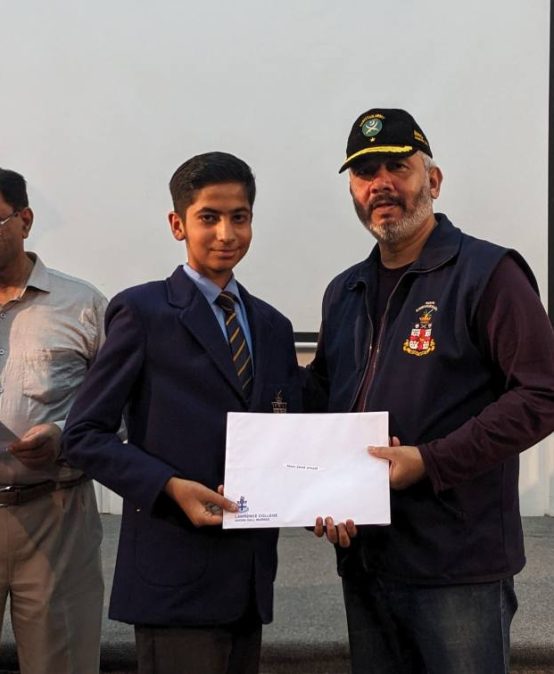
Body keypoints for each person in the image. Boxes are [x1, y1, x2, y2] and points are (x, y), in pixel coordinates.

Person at [305, 108, 554, 674]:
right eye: (365, 172)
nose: (380, 184)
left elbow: (541, 394)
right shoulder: (344, 291)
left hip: (457, 567)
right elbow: (322, 402)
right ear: (353, 191)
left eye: (397, 166)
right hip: (366, 560)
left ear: (433, 180)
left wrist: (431, 461)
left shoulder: (489, 274)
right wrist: (315, 493)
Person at [62, 151, 301, 674]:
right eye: (208, 217)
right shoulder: (143, 312)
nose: (226, 233)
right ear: (178, 224)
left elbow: (292, 434)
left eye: (239, 217)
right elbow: (83, 434)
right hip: (174, 574)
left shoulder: (274, 326)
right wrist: (170, 487)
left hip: (248, 579)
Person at [0, 168, 105, 674]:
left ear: (25, 220)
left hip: (56, 513)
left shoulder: (82, 306)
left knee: (60, 664)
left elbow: (123, 408)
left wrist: (64, 434)